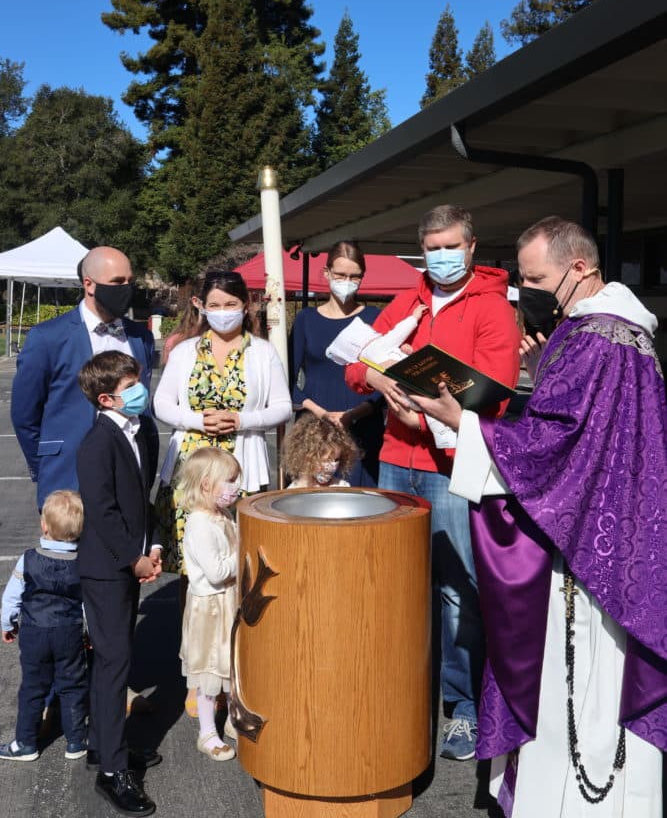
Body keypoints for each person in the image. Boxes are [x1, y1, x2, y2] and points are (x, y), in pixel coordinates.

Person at [414, 216, 667, 817]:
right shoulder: (619, 333)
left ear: (579, 269)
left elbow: (557, 444)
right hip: (619, 536)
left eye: (535, 278)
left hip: (584, 554)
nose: (527, 290)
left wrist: (461, 421)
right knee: (602, 690)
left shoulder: (596, 338)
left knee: (578, 690)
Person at [345, 205, 521, 760]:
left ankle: (464, 706)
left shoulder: (493, 310)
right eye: (431, 248)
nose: (440, 257)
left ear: (471, 248)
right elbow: (353, 365)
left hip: (451, 468)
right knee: (397, 583)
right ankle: (402, 691)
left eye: (450, 246)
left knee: (457, 592)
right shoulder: (409, 300)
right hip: (396, 460)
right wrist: (375, 374)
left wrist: (436, 406)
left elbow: (496, 396)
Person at [153, 269, 291, 715]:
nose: (223, 313)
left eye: (231, 305)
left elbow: (282, 406)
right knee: (195, 577)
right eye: (214, 304)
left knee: (240, 569)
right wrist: (199, 421)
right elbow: (162, 404)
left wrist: (240, 421)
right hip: (192, 476)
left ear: (246, 306)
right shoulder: (185, 351)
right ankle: (198, 676)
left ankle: (237, 668)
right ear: (199, 306)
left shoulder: (263, 352)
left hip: (242, 473)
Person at [76, 351, 162, 818]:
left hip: (130, 560)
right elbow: (103, 511)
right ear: (107, 397)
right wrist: (133, 558)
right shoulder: (96, 443)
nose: (140, 388)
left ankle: (103, 743)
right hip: (107, 568)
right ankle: (111, 771)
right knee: (114, 664)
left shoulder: (139, 431)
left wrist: (152, 548)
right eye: (131, 383)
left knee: (116, 659)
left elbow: (139, 498)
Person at [11, 246, 154, 509]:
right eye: (117, 282)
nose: (126, 288)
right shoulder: (47, 337)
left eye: (129, 281)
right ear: (89, 284)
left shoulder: (140, 337)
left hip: (129, 479)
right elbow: (24, 415)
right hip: (67, 480)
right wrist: (45, 466)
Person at [0, 490, 88, 763]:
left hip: (35, 631)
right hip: (69, 631)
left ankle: (25, 742)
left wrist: (7, 623)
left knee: (33, 687)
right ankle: (75, 740)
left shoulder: (29, 559)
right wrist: (91, 632)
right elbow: (89, 605)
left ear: (44, 525)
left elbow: (11, 596)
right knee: (72, 684)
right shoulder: (82, 563)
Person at [289, 241, 385, 487]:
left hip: (362, 430)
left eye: (355, 276)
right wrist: (321, 413)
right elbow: (288, 380)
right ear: (326, 273)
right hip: (315, 434)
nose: (347, 281)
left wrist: (354, 414)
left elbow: (385, 380)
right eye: (340, 275)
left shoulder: (374, 317)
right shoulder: (305, 319)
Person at [177, 447, 241, 762]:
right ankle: (207, 733)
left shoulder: (223, 514)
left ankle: (233, 719)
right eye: (228, 481)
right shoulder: (200, 524)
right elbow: (216, 572)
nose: (235, 488)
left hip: (228, 602)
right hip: (210, 609)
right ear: (206, 485)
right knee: (209, 673)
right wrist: (242, 556)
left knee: (231, 664)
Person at [281, 414, 360, 488]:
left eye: (336, 460)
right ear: (306, 458)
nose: (333, 466)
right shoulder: (295, 491)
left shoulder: (341, 487)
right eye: (326, 460)